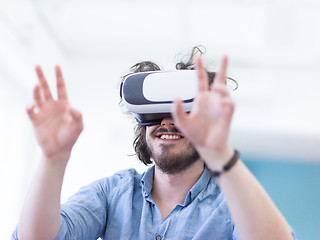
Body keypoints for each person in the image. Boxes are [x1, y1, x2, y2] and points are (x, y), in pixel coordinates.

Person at [12, 47, 295, 240]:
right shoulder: (113, 194)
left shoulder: (231, 206)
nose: (168, 123)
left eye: (181, 115)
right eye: (155, 114)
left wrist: (220, 152)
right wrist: (54, 159)